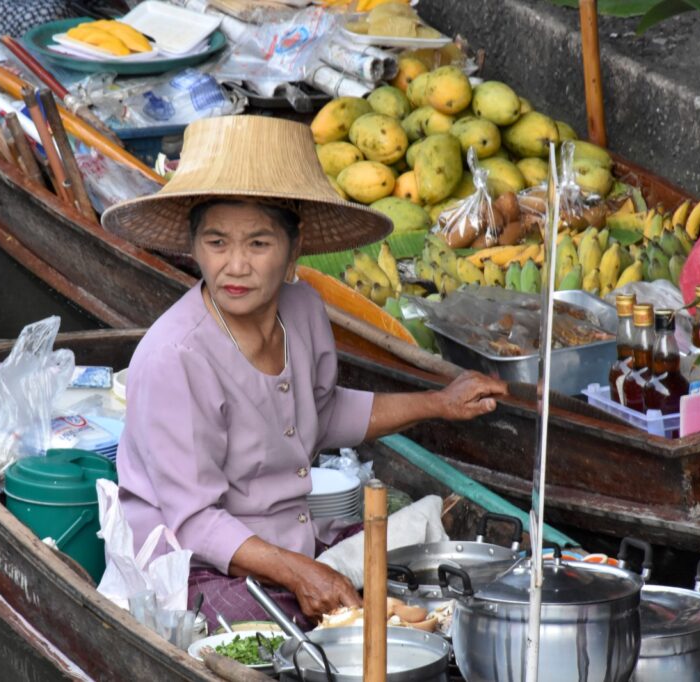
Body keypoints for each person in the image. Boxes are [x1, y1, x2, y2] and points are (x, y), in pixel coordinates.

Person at [100, 116, 507, 630]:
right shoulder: (174, 358)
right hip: (194, 566)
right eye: (217, 242)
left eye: (259, 244)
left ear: (293, 251)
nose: (235, 266)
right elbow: (195, 522)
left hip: (293, 540)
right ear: (194, 247)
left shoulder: (304, 310)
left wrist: (438, 403)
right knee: (297, 639)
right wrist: (299, 573)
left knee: (423, 580)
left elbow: (323, 411)